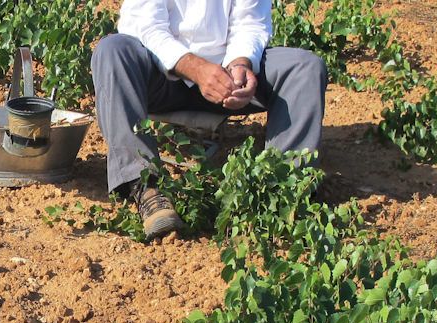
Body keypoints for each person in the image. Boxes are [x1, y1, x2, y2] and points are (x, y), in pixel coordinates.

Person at [91, 0, 328, 239]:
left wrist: (241, 64)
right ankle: (146, 186)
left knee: (305, 67)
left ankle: (284, 191)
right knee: (113, 50)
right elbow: (144, 26)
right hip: (161, 77)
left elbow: (251, 22)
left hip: (228, 79)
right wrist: (197, 69)